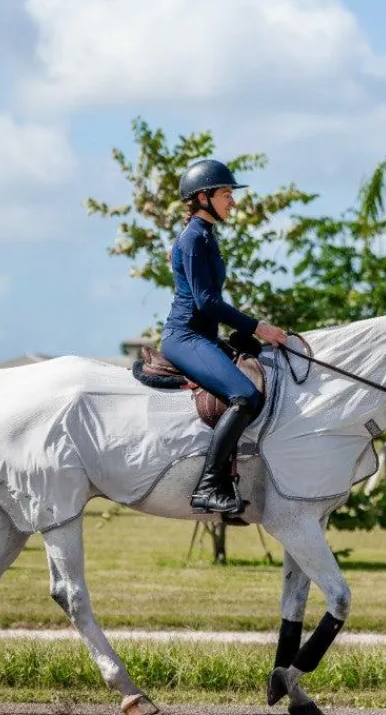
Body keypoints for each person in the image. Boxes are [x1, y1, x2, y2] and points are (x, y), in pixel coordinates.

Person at [160, 158, 288, 514]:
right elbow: (206, 301)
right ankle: (209, 485)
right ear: (204, 197)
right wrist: (256, 326)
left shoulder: (201, 236)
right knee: (245, 396)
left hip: (202, 335)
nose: (233, 201)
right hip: (185, 337)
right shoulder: (195, 238)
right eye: (226, 194)